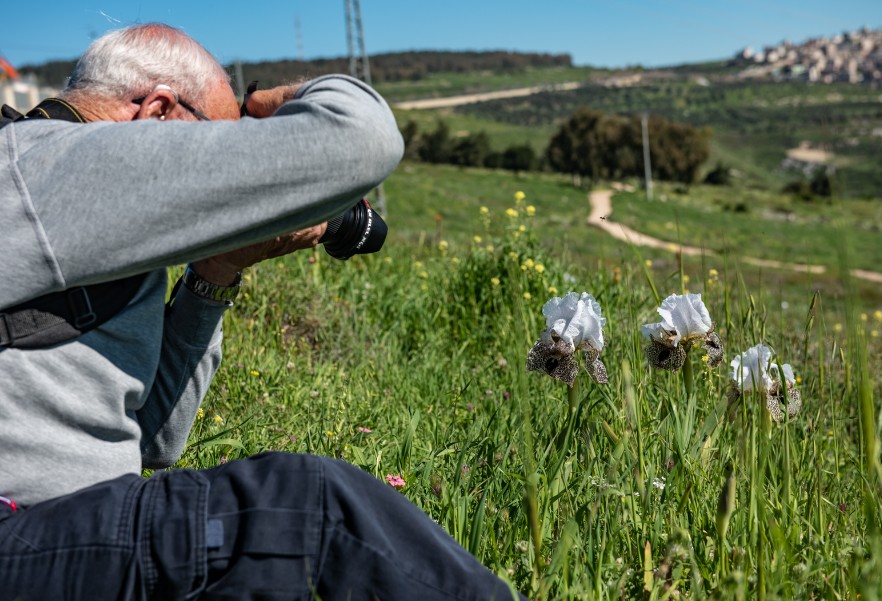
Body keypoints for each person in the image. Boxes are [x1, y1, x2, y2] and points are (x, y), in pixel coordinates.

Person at [0, 23, 523, 601]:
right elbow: (361, 135)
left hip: (66, 539)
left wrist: (216, 271)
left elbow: (150, 443)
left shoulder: (68, 212)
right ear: (156, 112)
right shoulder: (55, 164)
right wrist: (269, 103)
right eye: (215, 141)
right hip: (24, 535)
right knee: (310, 510)